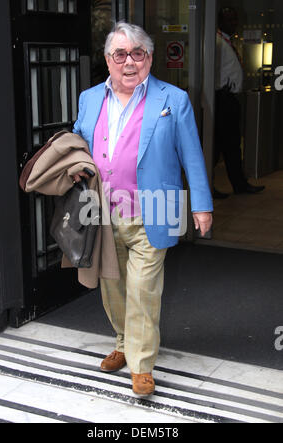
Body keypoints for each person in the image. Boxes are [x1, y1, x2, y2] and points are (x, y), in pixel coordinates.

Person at [72, 22, 213, 397]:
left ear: (149, 58)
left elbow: (192, 156)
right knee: (112, 287)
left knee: (143, 290)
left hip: (157, 207)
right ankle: (122, 342)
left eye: (138, 53)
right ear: (108, 60)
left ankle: (142, 363)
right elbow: (77, 143)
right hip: (99, 210)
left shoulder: (174, 99)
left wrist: (201, 205)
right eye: (120, 54)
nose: (129, 62)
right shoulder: (89, 98)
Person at [214, 7, 265, 198]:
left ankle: (239, 184)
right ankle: (235, 185)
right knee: (225, 146)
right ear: (219, 21)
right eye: (229, 19)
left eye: (235, 19)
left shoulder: (226, 41)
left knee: (229, 145)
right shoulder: (217, 42)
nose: (234, 23)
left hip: (228, 98)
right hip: (222, 98)